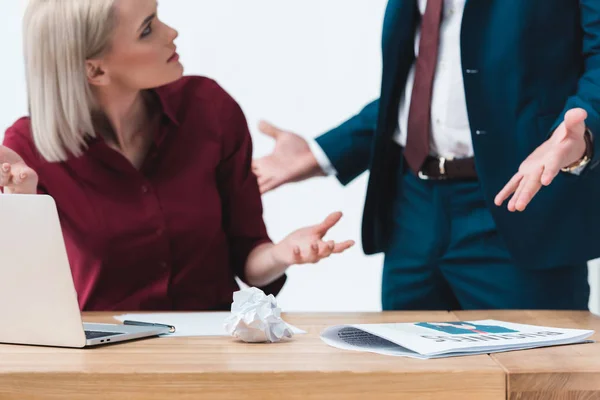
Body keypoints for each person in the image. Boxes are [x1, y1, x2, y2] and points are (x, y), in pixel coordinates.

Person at [0, 0, 354, 311]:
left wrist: (282, 253)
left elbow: (248, 258)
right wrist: (21, 206)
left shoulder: (210, 110)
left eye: (157, 16)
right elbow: (28, 299)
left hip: (214, 352)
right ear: (95, 69)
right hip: (101, 363)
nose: (172, 32)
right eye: (147, 29)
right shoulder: (27, 151)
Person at [253, 0, 600, 311]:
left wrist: (585, 131)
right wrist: (321, 152)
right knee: (408, 374)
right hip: (412, 209)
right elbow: (422, 84)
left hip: (519, 201)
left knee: (533, 373)